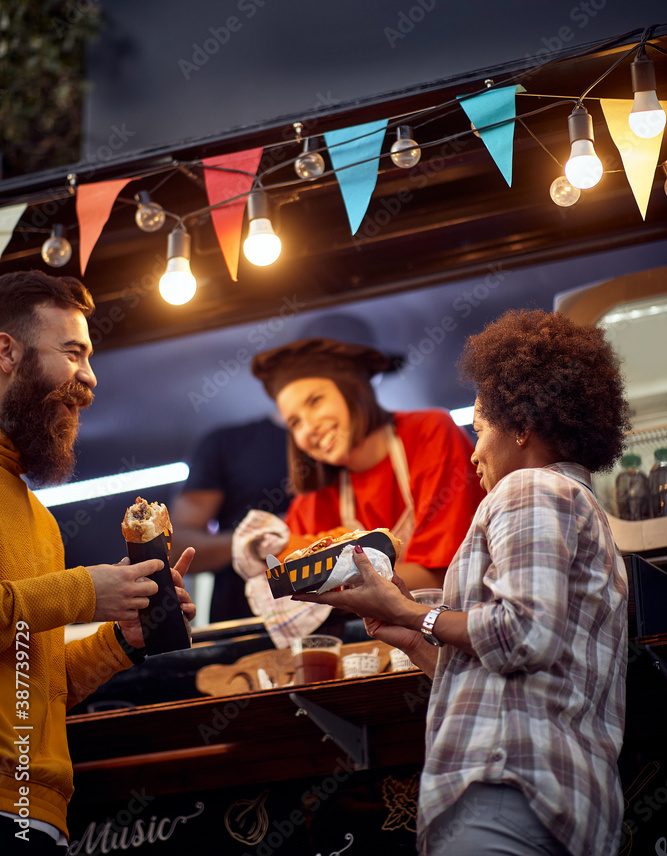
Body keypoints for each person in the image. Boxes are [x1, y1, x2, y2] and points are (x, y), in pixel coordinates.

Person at [294, 310, 630, 856]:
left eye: (480, 429)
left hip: (505, 790)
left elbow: (523, 633)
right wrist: (412, 637)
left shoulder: (530, 490)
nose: (473, 451)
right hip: (562, 805)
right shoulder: (583, 511)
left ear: (521, 426)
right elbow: (509, 670)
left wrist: (410, 614)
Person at [0, 271, 196, 852]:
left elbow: (36, 680)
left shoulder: (39, 519)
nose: (90, 377)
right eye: (72, 352)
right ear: (6, 351)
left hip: (38, 815)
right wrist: (86, 591)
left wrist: (124, 636)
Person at [248, 336, 483, 590]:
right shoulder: (315, 498)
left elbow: (441, 577)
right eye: (295, 422)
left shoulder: (430, 432)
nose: (309, 428)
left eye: (315, 401)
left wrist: (331, 583)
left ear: (353, 389)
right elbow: (284, 575)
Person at [170, 416, 290, 622]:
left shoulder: (350, 445)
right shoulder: (227, 443)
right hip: (244, 624)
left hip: (346, 617)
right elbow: (176, 548)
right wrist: (255, 539)